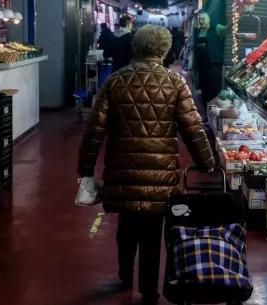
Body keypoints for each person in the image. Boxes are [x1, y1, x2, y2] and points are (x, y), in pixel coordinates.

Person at [77, 25, 215, 305]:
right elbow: (193, 128)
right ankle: (149, 292)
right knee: (153, 236)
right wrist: (206, 163)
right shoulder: (175, 83)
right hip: (160, 175)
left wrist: (86, 169)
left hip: (122, 170)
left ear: (135, 48)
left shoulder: (115, 81)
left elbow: (94, 131)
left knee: (126, 226)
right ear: (165, 50)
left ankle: (125, 273)